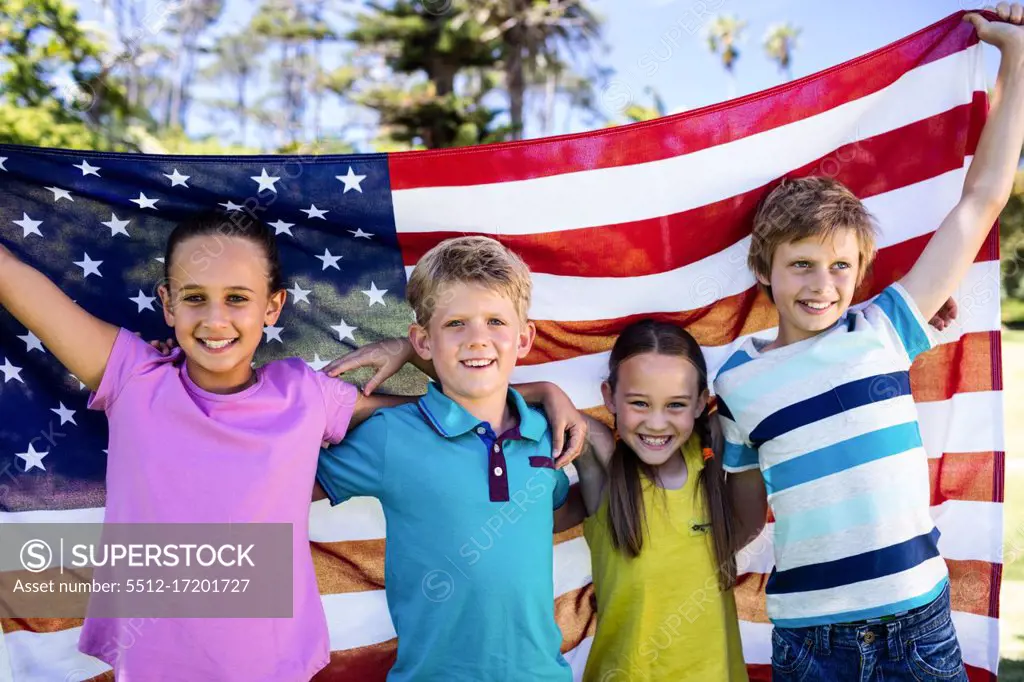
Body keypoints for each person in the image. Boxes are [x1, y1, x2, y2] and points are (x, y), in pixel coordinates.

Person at [715, 7, 1024, 680]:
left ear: (860, 273)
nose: (822, 285)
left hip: (919, 621)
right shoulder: (735, 379)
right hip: (810, 637)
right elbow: (737, 518)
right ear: (764, 270)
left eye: (840, 267)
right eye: (800, 264)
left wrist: (1016, 58)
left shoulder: (884, 326)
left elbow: (982, 198)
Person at [314, 236, 577, 681]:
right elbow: (282, 489)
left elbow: (556, 514)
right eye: (456, 323)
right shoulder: (389, 439)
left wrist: (553, 396)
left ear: (524, 337)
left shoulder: (542, 437)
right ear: (422, 340)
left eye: (496, 321)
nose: (478, 339)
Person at [565, 319, 750, 681]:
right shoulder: (602, 460)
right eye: (639, 403)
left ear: (701, 403)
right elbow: (489, 402)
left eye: (675, 405)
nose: (656, 423)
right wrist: (546, 391)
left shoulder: (712, 449)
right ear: (609, 397)